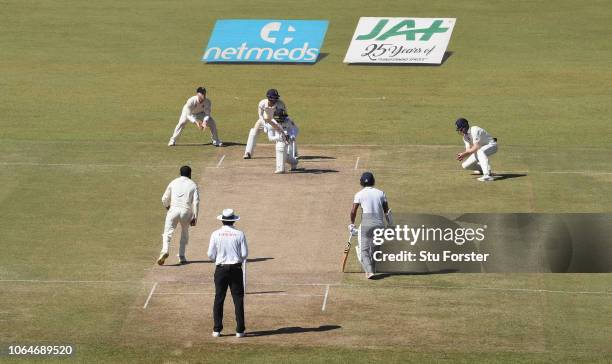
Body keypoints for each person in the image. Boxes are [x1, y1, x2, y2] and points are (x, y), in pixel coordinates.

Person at [207, 209, 248, 338]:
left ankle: (217, 330)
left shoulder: (215, 234)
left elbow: (210, 254)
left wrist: (218, 260)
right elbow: (244, 254)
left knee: (219, 298)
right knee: (238, 299)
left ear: (222, 220)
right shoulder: (240, 234)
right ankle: (240, 330)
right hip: (236, 269)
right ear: (233, 220)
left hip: (221, 269)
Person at [349, 172, 392, 279]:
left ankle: (369, 271)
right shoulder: (381, 193)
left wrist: (352, 224)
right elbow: (387, 212)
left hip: (366, 224)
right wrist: (391, 225)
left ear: (361, 182)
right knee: (376, 249)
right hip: (379, 224)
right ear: (373, 181)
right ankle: (371, 269)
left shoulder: (359, 194)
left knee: (364, 250)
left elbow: (353, 211)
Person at [157, 166, 200, 265]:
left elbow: (164, 198)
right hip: (186, 211)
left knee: (167, 233)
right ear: (190, 174)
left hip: (173, 210)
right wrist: (195, 217)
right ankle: (182, 256)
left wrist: (168, 207)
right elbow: (196, 202)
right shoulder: (193, 184)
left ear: (180, 173)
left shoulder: (173, 182)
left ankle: (165, 251)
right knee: (184, 233)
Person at [243, 89, 287, 159]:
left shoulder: (280, 104)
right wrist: (265, 125)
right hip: (264, 120)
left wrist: (277, 127)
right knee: (253, 131)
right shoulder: (262, 103)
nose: (275, 100)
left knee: (283, 134)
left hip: (276, 121)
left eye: (276, 98)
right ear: (269, 98)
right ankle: (248, 152)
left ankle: (287, 153)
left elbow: (283, 116)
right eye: (273, 98)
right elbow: (260, 115)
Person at [455, 118, 498, 182]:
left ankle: (487, 176)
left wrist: (464, 154)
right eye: (459, 130)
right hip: (480, 150)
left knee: (480, 151)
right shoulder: (465, 137)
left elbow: (476, 147)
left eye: (461, 129)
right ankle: (482, 169)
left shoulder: (474, 129)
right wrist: (463, 154)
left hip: (492, 145)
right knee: (465, 165)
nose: (460, 131)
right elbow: (468, 150)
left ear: (465, 126)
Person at [268, 108, 298, 174]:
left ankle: (289, 164)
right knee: (281, 148)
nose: (280, 121)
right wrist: (280, 137)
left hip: (289, 140)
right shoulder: (271, 123)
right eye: (278, 120)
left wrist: (292, 136)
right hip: (279, 141)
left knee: (284, 151)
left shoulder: (288, 120)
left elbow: (295, 129)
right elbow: (270, 138)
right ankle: (291, 163)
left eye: (281, 119)